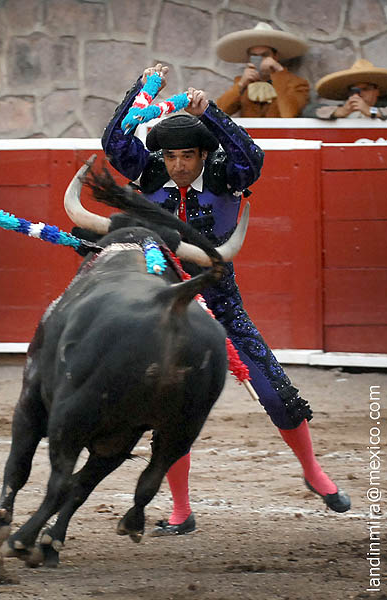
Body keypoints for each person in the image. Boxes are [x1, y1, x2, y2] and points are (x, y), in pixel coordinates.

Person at [101, 63, 351, 536]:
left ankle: (314, 472)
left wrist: (210, 110)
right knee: (170, 408)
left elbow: (250, 154)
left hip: (221, 307)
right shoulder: (148, 171)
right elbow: (114, 142)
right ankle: (180, 511)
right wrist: (145, 87)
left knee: (277, 392)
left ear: (202, 154)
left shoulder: (223, 174)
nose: (178, 165)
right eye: (171, 156)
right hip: (165, 309)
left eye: (187, 156)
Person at [215, 22, 310, 118]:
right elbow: (217, 115)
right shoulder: (243, 83)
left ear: (275, 57)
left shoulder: (297, 83)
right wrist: (240, 85)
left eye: (264, 55)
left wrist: (278, 72)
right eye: (254, 56)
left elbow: (289, 114)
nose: (260, 60)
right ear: (248, 59)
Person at [302, 59, 387, 120]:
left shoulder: (383, 106)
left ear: (377, 91)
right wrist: (341, 111)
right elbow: (308, 111)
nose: (359, 93)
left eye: (365, 89)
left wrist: (371, 111)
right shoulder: (344, 108)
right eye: (354, 90)